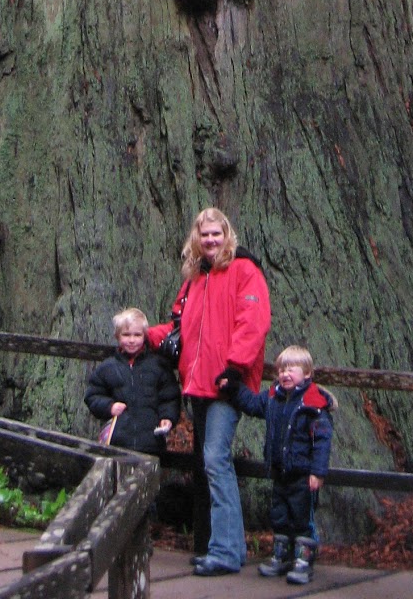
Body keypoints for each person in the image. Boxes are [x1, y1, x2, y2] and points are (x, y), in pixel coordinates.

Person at [149, 207, 270, 576]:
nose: (211, 240)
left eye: (217, 234)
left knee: (216, 461)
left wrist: (234, 368)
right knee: (211, 463)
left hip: (225, 385)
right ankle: (230, 547)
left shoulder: (244, 271)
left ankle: (225, 551)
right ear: (196, 239)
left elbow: (253, 322)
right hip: (198, 384)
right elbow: (178, 326)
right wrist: (139, 335)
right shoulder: (194, 279)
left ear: (227, 234)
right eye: (205, 235)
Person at [221, 344, 334, 586]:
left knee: (302, 517)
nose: (285, 374)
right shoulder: (274, 397)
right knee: (280, 515)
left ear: (307, 374)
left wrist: (318, 472)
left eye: (292, 369)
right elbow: (252, 404)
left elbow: (322, 442)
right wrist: (233, 387)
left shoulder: (313, 405)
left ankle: (303, 560)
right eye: (282, 369)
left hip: (303, 473)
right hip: (279, 471)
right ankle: (281, 554)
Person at [84, 306, 181, 456]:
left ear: (145, 336)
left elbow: (170, 397)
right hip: (118, 441)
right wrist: (109, 407)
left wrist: (167, 418)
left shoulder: (158, 365)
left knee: (148, 476)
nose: (131, 340)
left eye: (137, 335)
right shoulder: (108, 367)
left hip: (151, 440)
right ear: (117, 336)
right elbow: (92, 396)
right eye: (126, 335)